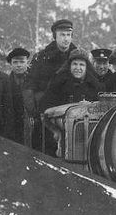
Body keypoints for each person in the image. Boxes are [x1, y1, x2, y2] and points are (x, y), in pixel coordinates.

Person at [23, 19, 78, 151]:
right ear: (55, 36)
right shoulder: (42, 57)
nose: (66, 39)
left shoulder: (78, 58)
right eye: (62, 35)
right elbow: (28, 87)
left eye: (68, 35)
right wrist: (35, 112)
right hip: (45, 117)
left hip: (72, 116)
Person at [40, 49, 104, 111]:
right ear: (69, 66)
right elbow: (46, 106)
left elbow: (102, 108)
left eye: (81, 65)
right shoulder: (58, 83)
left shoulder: (95, 85)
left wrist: (90, 105)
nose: (78, 68)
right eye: (75, 64)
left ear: (86, 67)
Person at [6, 47, 31, 144]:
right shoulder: (5, 83)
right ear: (11, 64)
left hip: (32, 125)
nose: (19, 65)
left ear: (27, 62)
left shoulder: (35, 81)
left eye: (22, 62)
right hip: (13, 127)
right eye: (15, 62)